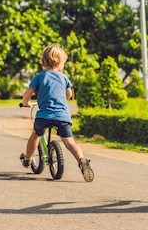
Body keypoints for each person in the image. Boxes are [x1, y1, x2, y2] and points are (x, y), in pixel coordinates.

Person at [20, 44, 94, 182]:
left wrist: (25, 103)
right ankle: (82, 160)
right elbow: (69, 94)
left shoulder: (39, 77)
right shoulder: (63, 77)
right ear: (60, 63)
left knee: (35, 135)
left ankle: (28, 158)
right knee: (70, 142)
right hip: (62, 116)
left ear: (43, 61)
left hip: (44, 116)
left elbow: (27, 94)